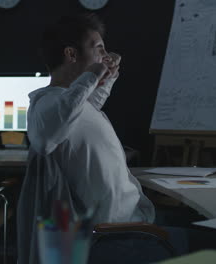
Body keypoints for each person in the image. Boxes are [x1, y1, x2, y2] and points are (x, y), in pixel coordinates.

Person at [16, 13, 155, 263]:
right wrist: (93, 74)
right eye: (98, 49)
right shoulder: (45, 104)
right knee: (215, 241)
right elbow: (46, 137)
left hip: (131, 224)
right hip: (117, 237)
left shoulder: (68, 105)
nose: (105, 56)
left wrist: (106, 79)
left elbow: (84, 109)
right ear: (71, 55)